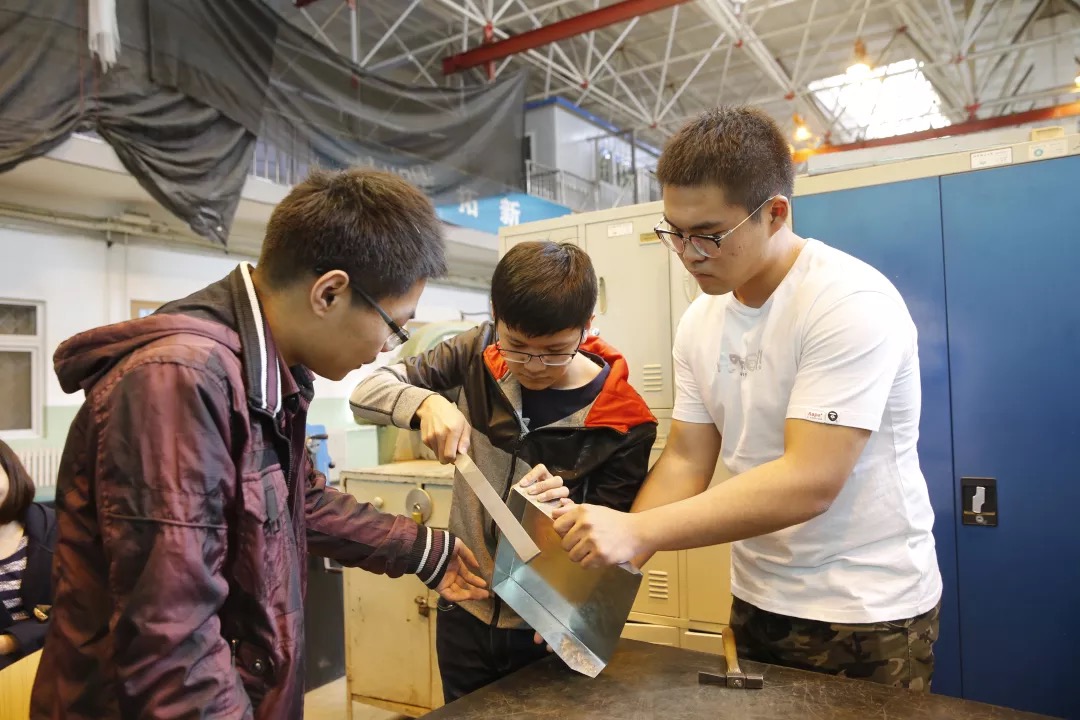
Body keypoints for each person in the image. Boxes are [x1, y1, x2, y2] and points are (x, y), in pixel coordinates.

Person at [30, 168, 489, 719]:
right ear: (329, 292)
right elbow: (174, 645)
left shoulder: (266, 375)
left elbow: (299, 501)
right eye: (394, 326)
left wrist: (425, 550)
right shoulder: (178, 381)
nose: (388, 347)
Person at [551, 107, 943, 691]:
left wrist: (640, 533)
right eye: (674, 232)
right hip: (758, 596)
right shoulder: (700, 320)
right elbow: (686, 459)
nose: (688, 254)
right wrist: (609, 574)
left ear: (775, 213)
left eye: (709, 234)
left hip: (866, 607)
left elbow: (811, 480)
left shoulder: (847, 303)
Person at [350, 240, 657, 702]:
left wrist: (563, 517)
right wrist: (426, 403)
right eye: (517, 346)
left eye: (554, 351)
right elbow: (365, 392)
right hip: (464, 606)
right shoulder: (475, 352)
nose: (533, 366)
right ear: (496, 317)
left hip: (541, 629)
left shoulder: (622, 422)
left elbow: (612, 550)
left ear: (588, 326)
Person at [0, 440, 56, 671]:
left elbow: (84, 607)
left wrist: (10, 641)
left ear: (10, 471)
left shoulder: (58, 527)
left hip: (58, 660)